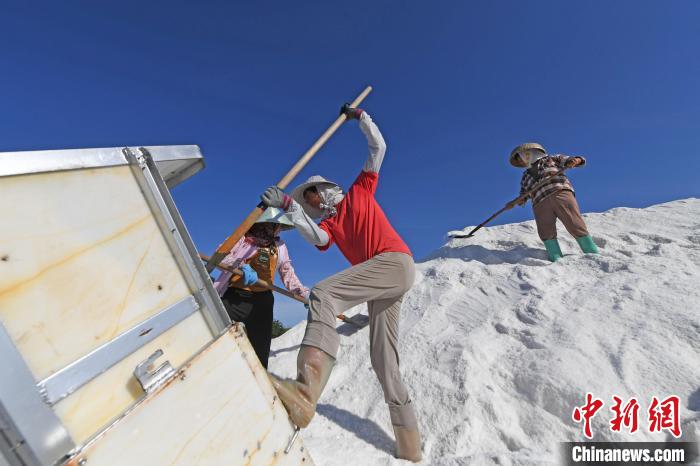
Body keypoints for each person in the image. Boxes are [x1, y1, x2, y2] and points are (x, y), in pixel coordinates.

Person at [259, 105, 422, 462]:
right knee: (383, 361)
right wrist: (288, 208)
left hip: (394, 262)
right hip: (385, 280)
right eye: (305, 202)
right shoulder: (330, 227)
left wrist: (361, 118)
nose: (310, 204)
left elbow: (378, 148)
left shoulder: (360, 191)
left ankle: (306, 390)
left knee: (324, 292)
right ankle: (410, 447)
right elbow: (317, 238)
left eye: (309, 196)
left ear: (322, 190)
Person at [213, 208, 309, 368]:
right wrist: (241, 266)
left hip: (262, 302)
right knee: (217, 334)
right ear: (268, 224)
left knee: (260, 349)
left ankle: (258, 380)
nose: (279, 230)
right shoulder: (243, 238)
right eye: (277, 225)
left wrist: (301, 292)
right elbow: (220, 256)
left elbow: (286, 270)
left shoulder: (279, 245)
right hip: (235, 297)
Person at [508, 142, 599, 262]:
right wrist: (516, 201)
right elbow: (524, 194)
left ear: (529, 153)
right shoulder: (525, 176)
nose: (521, 162)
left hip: (560, 193)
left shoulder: (551, 159)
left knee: (574, 222)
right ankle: (555, 257)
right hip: (539, 202)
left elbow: (575, 159)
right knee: (545, 229)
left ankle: (591, 252)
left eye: (520, 158)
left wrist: (575, 161)